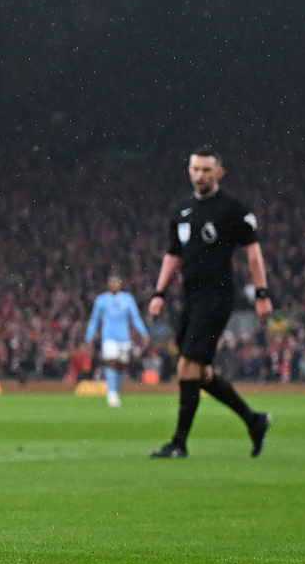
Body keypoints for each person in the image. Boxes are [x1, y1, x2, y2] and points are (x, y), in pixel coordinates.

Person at [148, 147, 273, 458]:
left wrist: (261, 294)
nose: (200, 175)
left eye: (207, 170)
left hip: (216, 296)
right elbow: (173, 253)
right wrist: (159, 293)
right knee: (199, 373)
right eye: (196, 169)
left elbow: (253, 252)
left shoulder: (233, 208)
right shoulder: (182, 211)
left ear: (220, 173)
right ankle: (253, 420)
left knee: (187, 365)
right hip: (190, 297)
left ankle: (179, 443)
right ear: (189, 171)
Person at [85, 275, 149, 407]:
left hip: (124, 338)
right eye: (111, 283)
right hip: (109, 337)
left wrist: (143, 332)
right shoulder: (101, 300)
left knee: (121, 365)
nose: (114, 285)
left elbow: (135, 317)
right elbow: (95, 319)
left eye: (116, 283)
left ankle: (116, 390)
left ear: (120, 284)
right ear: (108, 285)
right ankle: (112, 393)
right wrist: (89, 336)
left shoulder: (127, 299)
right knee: (112, 362)